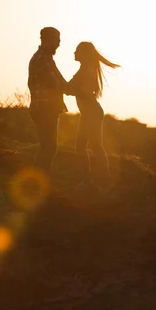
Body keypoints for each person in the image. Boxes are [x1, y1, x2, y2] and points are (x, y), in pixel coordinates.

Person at [66, 41, 120, 191]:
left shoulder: (86, 71)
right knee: (84, 146)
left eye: (77, 50)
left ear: (83, 54)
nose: (74, 53)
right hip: (89, 112)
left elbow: (75, 89)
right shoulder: (85, 69)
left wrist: (67, 88)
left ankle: (101, 181)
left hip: (91, 112)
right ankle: (91, 181)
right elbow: (71, 88)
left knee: (95, 146)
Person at [27, 27, 68, 176]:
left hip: (43, 107)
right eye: (56, 40)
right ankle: (38, 181)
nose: (59, 44)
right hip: (45, 107)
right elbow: (56, 82)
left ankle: (38, 181)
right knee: (49, 147)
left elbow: (59, 80)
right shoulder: (43, 59)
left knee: (48, 146)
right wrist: (76, 90)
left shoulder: (45, 58)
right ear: (46, 39)